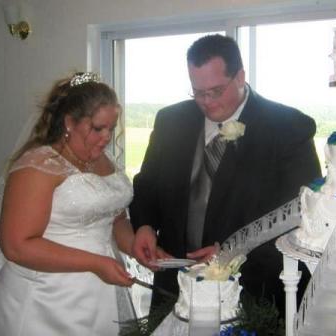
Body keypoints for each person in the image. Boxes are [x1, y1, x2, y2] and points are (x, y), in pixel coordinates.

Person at [130, 34, 322, 316]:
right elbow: (147, 184)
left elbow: (301, 214)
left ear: (240, 76)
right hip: (175, 289)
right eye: (197, 92)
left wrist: (233, 252)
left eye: (216, 91)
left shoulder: (288, 127)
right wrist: (145, 225)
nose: (206, 102)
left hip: (254, 291)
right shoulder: (170, 121)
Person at [0, 72, 137, 335]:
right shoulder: (38, 165)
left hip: (99, 295)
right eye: (97, 128)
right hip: (46, 299)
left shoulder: (104, 160)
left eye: (111, 128)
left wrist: (136, 246)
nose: (106, 137)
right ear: (69, 122)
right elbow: (17, 246)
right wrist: (96, 262)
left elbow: (116, 218)